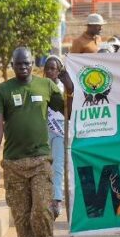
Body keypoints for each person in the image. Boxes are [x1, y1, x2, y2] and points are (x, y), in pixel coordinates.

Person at [0, 47, 68, 237]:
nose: (23, 67)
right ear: (13, 65)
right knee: (22, 218)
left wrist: (69, 87)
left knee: (42, 211)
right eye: (18, 64)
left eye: (27, 63)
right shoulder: (2, 91)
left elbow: (68, 111)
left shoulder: (46, 86)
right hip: (13, 164)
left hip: (41, 161)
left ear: (33, 63)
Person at [43, 56, 74, 218]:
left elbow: (70, 108)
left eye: (53, 68)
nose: (49, 71)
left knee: (58, 167)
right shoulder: (40, 86)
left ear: (59, 70)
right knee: (44, 167)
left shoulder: (64, 87)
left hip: (60, 132)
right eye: (47, 68)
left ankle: (56, 199)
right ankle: (43, 198)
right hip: (43, 132)